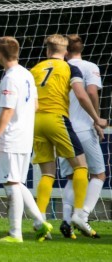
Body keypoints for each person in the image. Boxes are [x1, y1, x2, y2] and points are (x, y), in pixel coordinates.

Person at [30, 34, 107, 238]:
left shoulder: (36, 69)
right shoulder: (69, 67)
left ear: (47, 50)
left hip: (36, 122)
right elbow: (82, 95)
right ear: (65, 52)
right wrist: (96, 119)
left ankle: (41, 220)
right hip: (58, 120)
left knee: (48, 173)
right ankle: (79, 215)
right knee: (81, 167)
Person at [0, 36, 52, 243]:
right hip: (25, 135)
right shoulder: (27, 74)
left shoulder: (11, 78)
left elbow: (8, 110)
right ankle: (41, 224)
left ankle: (16, 234)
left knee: (11, 183)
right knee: (18, 182)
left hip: (11, 135)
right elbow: (36, 105)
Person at [58, 34, 106, 239]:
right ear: (82, 48)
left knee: (72, 176)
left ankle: (67, 221)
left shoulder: (60, 68)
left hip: (63, 128)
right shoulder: (89, 66)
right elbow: (92, 92)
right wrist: (97, 119)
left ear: (66, 51)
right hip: (84, 128)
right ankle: (82, 215)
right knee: (98, 174)